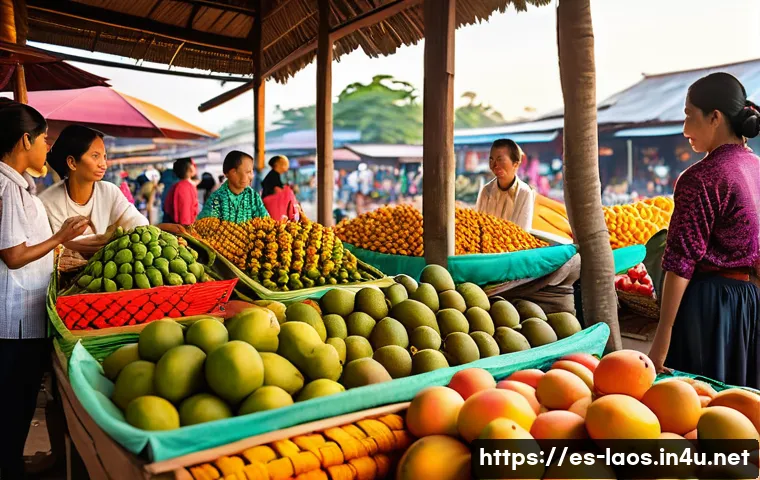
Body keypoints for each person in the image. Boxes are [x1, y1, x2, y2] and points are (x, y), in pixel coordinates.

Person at [648, 72, 760, 389]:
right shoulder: (756, 167)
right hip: (747, 305)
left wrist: (662, 339)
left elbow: (681, 262)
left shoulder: (700, 178)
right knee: (738, 407)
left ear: (715, 117)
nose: (684, 130)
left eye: (688, 116)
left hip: (707, 310)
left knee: (698, 406)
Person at [0, 100, 90, 478]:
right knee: (12, 410)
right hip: (13, 324)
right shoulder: (5, 187)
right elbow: (14, 254)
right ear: (25, 140)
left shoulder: (19, 186)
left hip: (27, 317)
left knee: (17, 408)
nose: (47, 148)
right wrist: (60, 237)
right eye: (44, 139)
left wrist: (76, 244)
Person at [39, 125, 148, 256]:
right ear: (72, 163)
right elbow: (56, 248)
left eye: (104, 156)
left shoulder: (109, 192)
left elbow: (136, 222)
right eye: (95, 156)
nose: (103, 164)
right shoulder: (47, 202)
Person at [475, 138, 535, 230]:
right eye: (491, 160)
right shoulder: (485, 191)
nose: (494, 165)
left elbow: (523, 234)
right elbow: (476, 226)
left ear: (516, 164)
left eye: (500, 160)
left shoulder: (524, 193)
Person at [197, 151, 269, 223]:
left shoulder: (253, 197)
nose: (251, 176)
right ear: (231, 173)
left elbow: (266, 221)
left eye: (251, 172)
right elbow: (204, 224)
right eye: (247, 172)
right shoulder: (217, 198)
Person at [162, 157, 199, 225]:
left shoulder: (178, 186)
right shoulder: (184, 187)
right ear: (190, 168)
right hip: (183, 230)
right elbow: (185, 216)